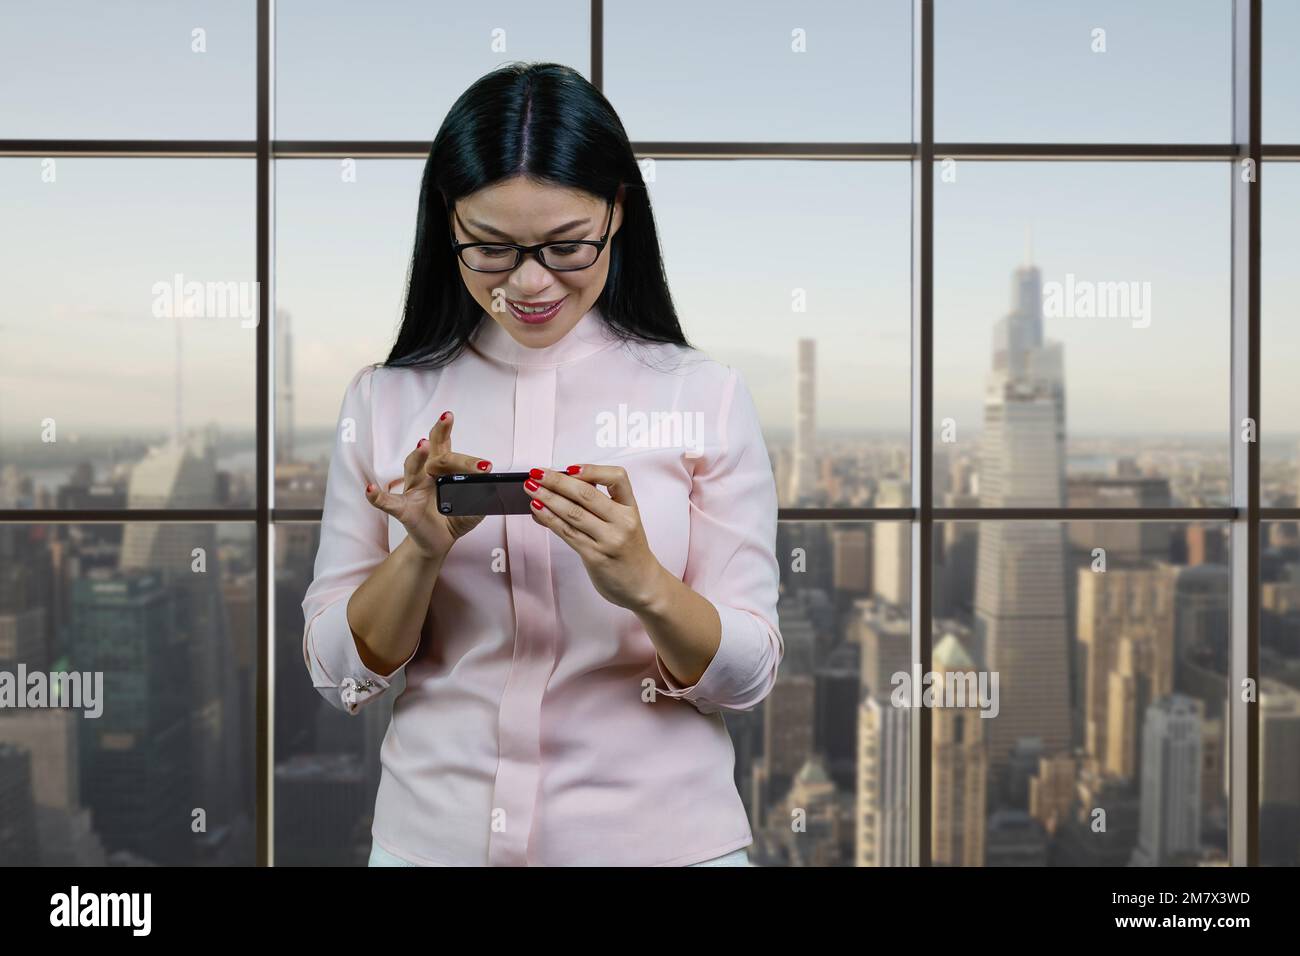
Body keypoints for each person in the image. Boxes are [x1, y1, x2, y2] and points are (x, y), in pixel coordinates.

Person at [301, 62, 782, 867]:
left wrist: (645, 584)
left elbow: (748, 674)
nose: (528, 283)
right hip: (430, 845)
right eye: (489, 248)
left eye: (566, 246)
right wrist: (420, 553)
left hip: (665, 847)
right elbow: (336, 671)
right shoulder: (384, 401)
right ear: (445, 224)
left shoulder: (705, 396)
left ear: (618, 214)